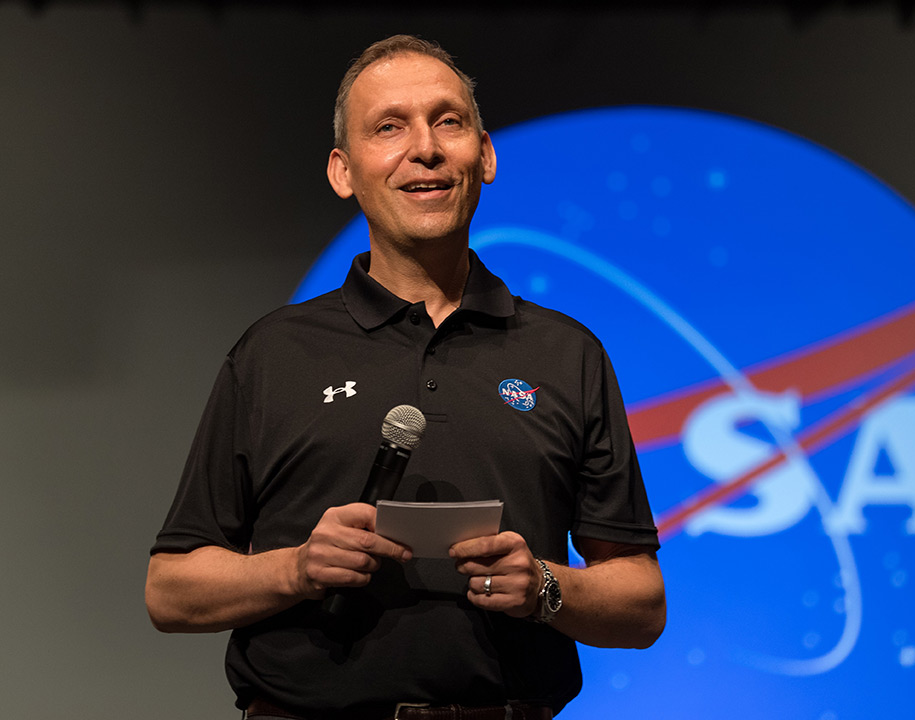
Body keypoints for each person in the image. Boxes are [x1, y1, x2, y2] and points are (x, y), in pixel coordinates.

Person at [145, 34, 665, 720]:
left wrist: (544, 585)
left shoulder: (566, 354)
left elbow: (642, 602)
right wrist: (295, 569)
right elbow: (170, 591)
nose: (425, 147)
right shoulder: (273, 354)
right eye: (389, 127)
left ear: (484, 156)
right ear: (343, 170)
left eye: (448, 121)